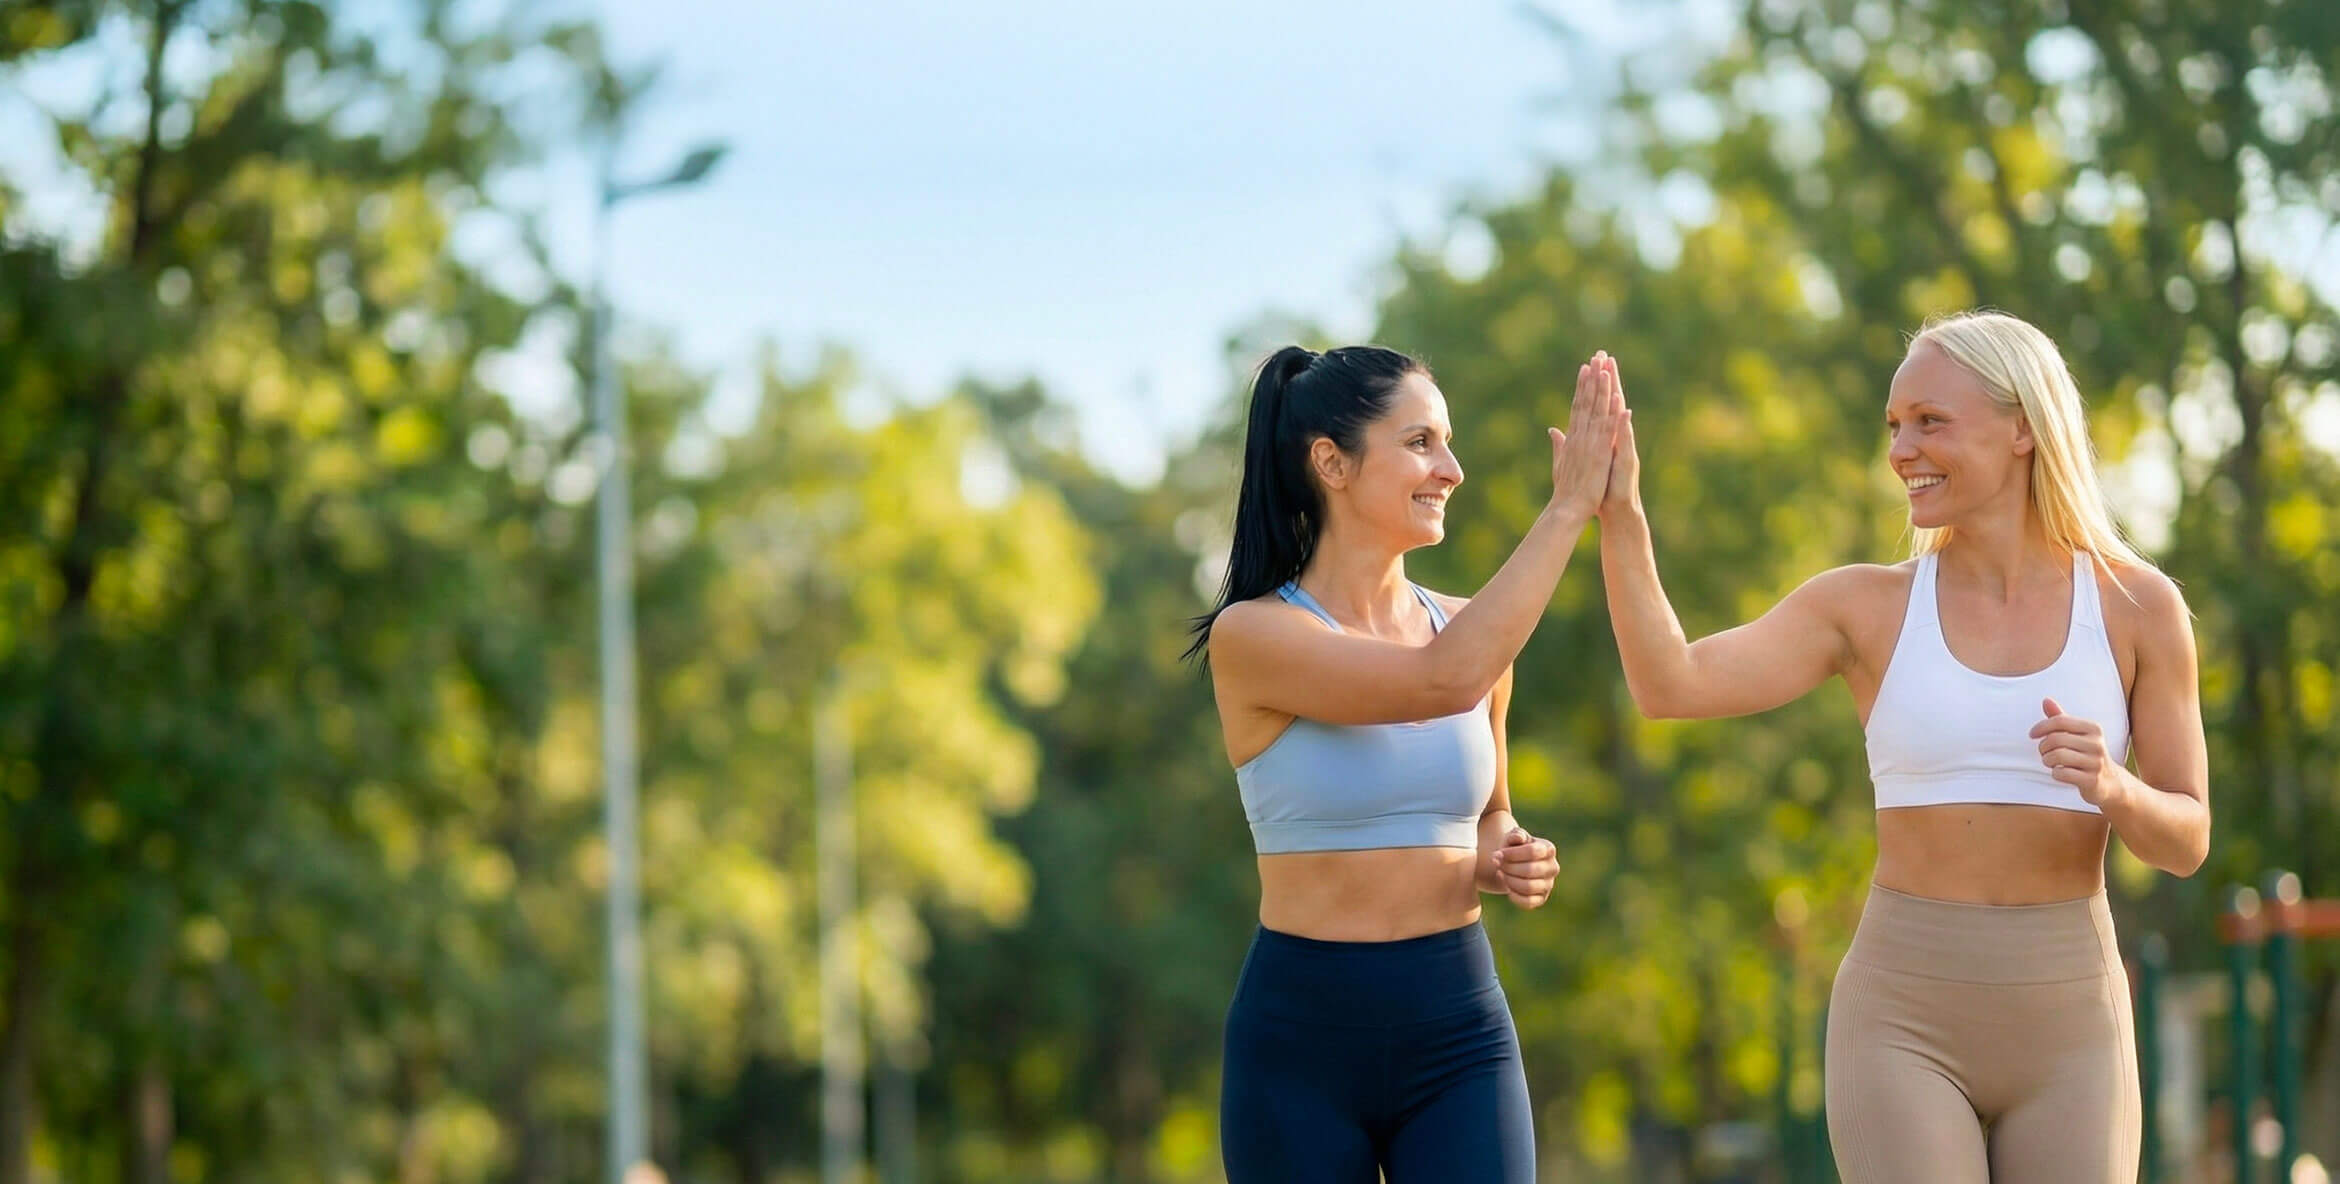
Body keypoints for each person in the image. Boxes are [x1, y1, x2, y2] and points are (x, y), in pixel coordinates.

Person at [1593, 311, 2210, 1182]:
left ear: (2023, 427)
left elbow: (2187, 840)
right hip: (1901, 1020)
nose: (1901, 450)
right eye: (1893, 425)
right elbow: (1671, 685)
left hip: (2074, 1025)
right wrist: (1620, 512)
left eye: (1930, 421)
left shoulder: (2138, 607)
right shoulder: (1866, 607)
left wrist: (2115, 786)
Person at [1192, 344, 1623, 1183]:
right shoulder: (1254, 636)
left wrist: (1507, 853)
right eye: (1421, 442)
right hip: (1300, 1045)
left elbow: (1488, 814)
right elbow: (1438, 682)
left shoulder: (1470, 633)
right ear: (1332, 463)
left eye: (1447, 443)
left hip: (1459, 1028)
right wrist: (1568, 507)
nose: (1451, 470)